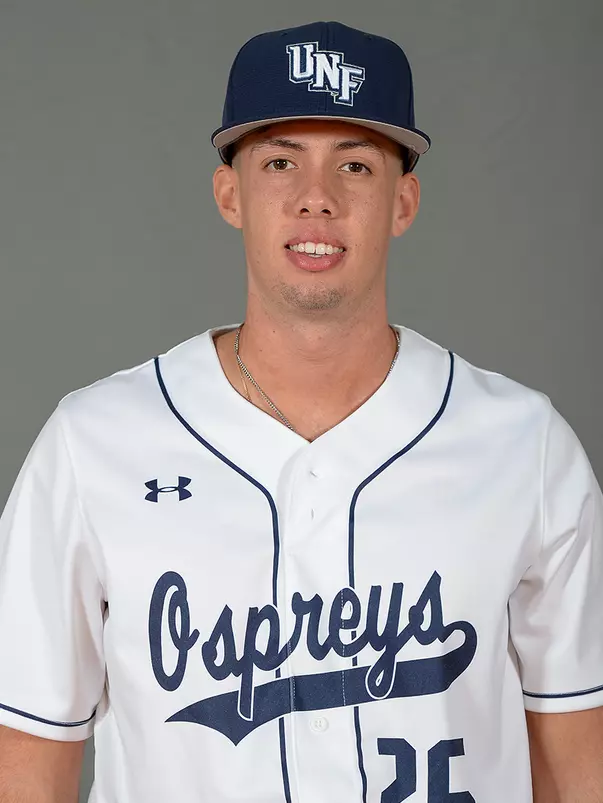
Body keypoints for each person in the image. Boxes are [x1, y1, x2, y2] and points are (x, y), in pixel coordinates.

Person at [0, 19, 602, 803]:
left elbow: (575, 755)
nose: (315, 198)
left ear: (403, 202)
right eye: (280, 161)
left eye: (354, 165)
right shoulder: (92, 445)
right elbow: (27, 757)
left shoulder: (525, 446)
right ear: (229, 193)